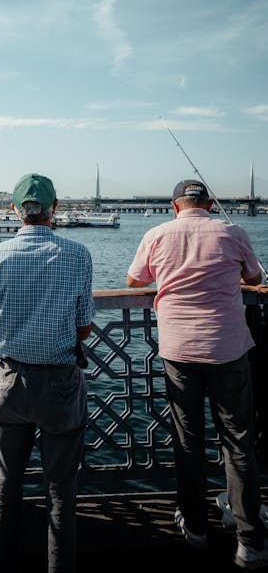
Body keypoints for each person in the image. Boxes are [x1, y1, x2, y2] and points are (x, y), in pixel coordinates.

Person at [126, 179, 266, 569]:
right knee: (238, 442)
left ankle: (195, 527)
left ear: (175, 206)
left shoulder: (157, 234)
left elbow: (134, 281)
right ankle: (250, 541)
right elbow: (254, 280)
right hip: (228, 349)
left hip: (180, 350)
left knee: (188, 440)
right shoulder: (232, 231)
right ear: (208, 204)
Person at [0, 173, 94, 573]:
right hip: (59, 385)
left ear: (14, 211)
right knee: (61, 492)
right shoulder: (78, 256)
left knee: (5, 489)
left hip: (7, 384)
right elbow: (83, 326)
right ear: (55, 209)